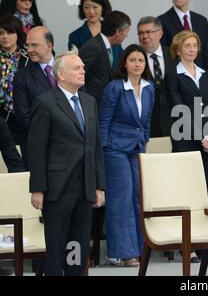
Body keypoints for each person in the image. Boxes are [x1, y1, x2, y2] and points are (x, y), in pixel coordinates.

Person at [28, 47, 105, 276]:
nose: (83, 71)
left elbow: (96, 147)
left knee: (78, 249)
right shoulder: (45, 103)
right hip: (57, 189)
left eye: (82, 67)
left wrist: (99, 185)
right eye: (77, 68)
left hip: (85, 189)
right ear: (60, 75)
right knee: (56, 249)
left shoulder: (89, 101)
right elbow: (36, 150)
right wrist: (37, 189)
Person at [99, 44, 155, 267]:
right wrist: (103, 149)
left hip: (137, 147)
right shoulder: (115, 87)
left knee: (137, 197)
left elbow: (147, 119)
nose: (137, 64)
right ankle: (124, 252)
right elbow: (104, 120)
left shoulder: (150, 87)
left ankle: (141, 249)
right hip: (115, 149)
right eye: (132, 60)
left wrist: (145, 141)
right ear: (124, 63)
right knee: (120, 199)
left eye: (141, 60)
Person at [168, 31, 208, 262]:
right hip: (184, 141)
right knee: (185, 193)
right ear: (178, 49)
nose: (191, 49)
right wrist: (202, 134)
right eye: (187, 45)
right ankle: (185, 245)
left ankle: (204, 243)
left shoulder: (207, 75)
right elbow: (178, 109)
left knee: (203, 192)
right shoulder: (173, 75)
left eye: (194, 45)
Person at [13, 26, 56, 169]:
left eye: (34, 45)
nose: (29, 50)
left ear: (49, 45)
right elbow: (24, 117)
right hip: (40, 148)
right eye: (27, 45)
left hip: (72, 147)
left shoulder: (69, 67)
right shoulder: (22, 77)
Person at [79, 10, 130, 104]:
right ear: (118, 31)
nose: (127, 35)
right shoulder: (93, 47)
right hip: (92, 106)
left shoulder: (112, 47)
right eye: (127, 31)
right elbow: (80, 78)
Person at [158, 0, 208, 67]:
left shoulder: (202, 21)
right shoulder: (161, 21)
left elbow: (206, 53)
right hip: (176, 76)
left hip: (200, 75)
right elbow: (164, 55)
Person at [137, 16, 177, 137]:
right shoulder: (134, 58)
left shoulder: (174, 54)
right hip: (147, 126)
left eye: (148, 32)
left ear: (160, 33)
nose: (144, 36)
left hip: (174, 124)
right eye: (141, 33)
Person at [68, 0, 122, 71]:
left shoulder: (113, 31)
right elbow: (75, 64)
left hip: (114, 80)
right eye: (86, 7)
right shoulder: (75, 36)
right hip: (88, 81)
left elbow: (119, 57)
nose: (91, 11)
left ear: (102, 8)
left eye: (95, 7)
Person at [0, 15, 29, 148]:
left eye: (10, 32)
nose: (5, 37)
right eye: (1, 33)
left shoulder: (28, 58)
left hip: (24, 117)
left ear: (18, 34)